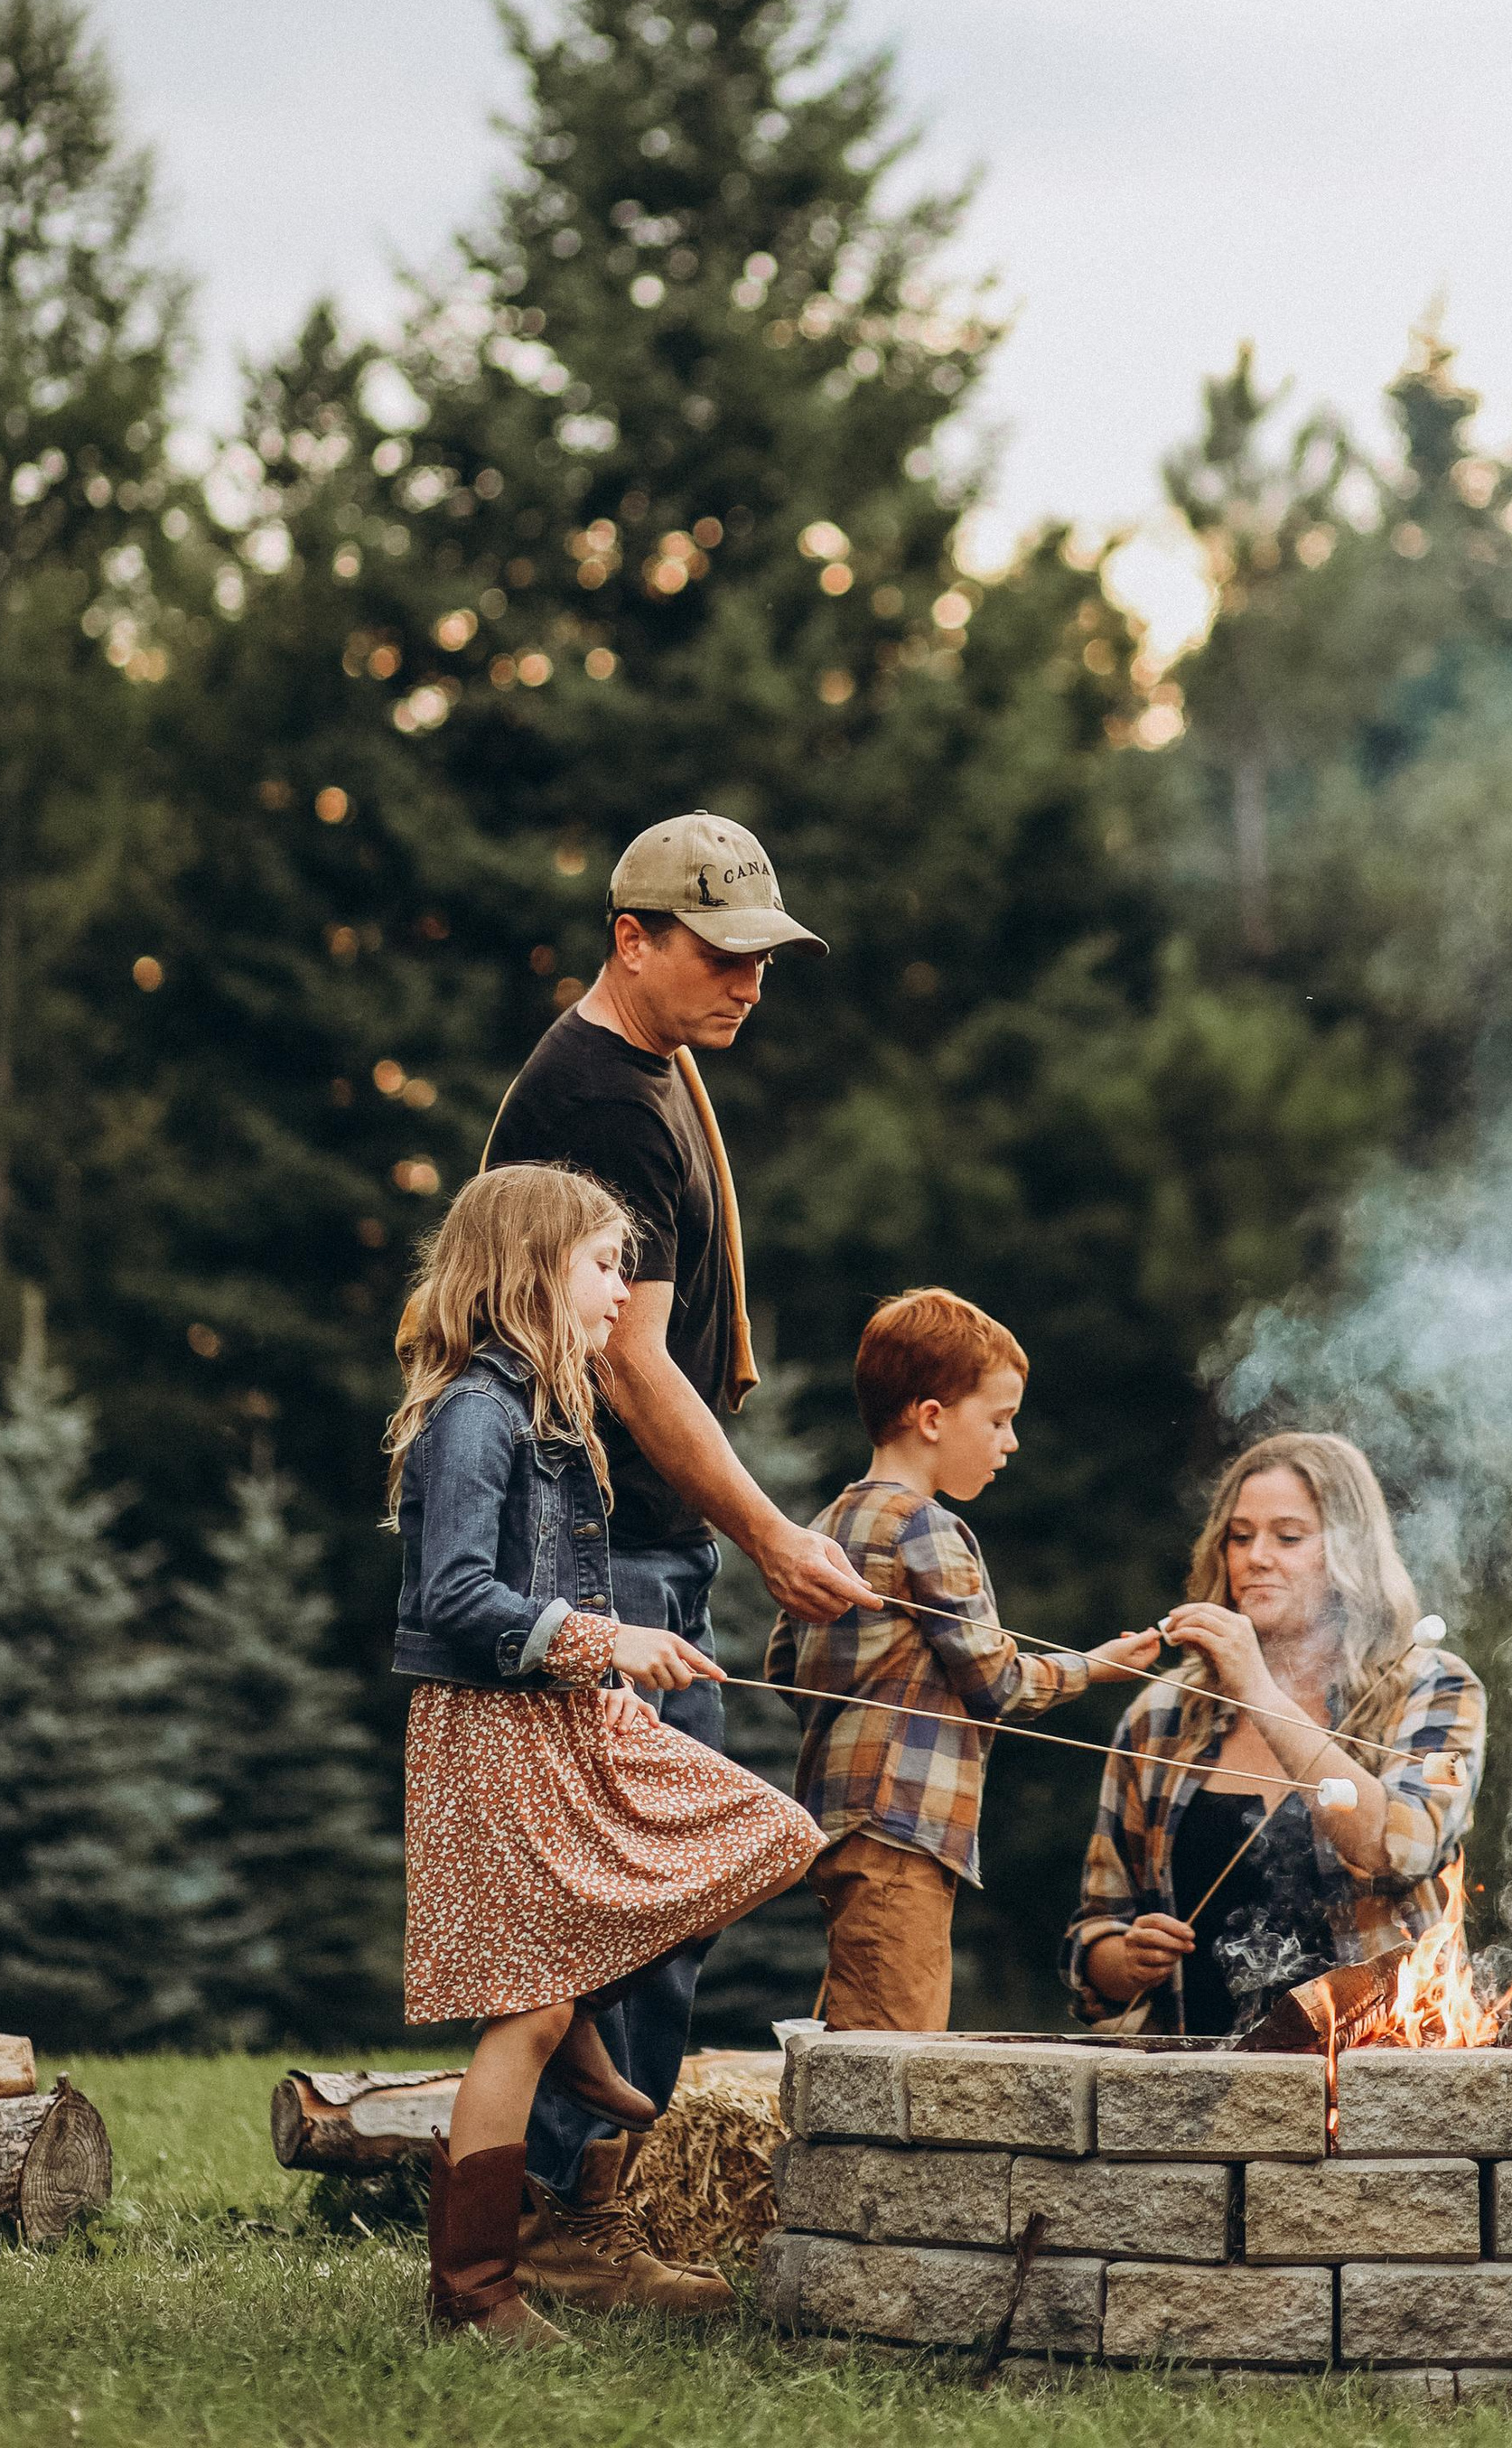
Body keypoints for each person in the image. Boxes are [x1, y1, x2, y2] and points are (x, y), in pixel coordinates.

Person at [477, 808, 877, 2313]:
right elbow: (636, 1364)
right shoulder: (601, 1101)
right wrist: (770, 1533)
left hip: (638, 1546)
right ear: (629, 938)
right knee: (637, 1880)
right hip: (602, 1550)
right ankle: (571, 2216)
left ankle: (585, 2201)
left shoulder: (657, 1068)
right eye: (721, 956)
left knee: (662, 1880)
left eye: (765, 958)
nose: (750, 985)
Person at [389, 1162, 821, 2346]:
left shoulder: (549, 1408)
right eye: (602, 1266)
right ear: (533, 1272)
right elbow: (455, 1595)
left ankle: (578, 2001)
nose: (623, 1293)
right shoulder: (479, 1414)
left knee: (764, 1835)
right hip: (497, 1730)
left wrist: (617, 1669)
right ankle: (475, 2291)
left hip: (568, 1713)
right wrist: (607, 1636)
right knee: (518, 2016)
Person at [766, 1288, 1159, 2029]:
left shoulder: (826, 1523)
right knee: (892, 2059)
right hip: (904, 1830)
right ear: (933, 1417)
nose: (1010, 1442)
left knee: (859, 2023)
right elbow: (999, 1682)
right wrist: (1096, 1668)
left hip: (842, 1825)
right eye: (1000, 1420)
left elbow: (787, 1667)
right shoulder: (927, 1529)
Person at [1062, 1433, 1485, 2036]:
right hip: (1193, 2095)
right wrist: (1125, 1961)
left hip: (1381, 2092)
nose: (1255, 1557)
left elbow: (1399, 1848)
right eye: (1240, 1536)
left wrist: (1260, 1691)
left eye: (1288, 1537)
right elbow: (1093, 1932)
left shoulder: (1434, 1689)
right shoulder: (1160, 1716)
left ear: (1350, 1556)